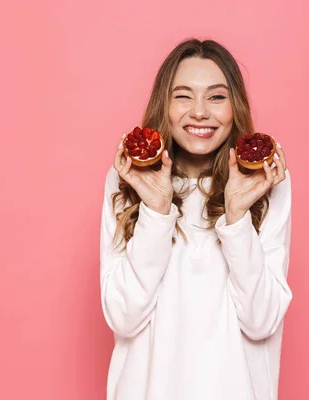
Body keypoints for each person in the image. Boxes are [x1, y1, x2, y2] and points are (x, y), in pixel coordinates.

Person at [99, 38, 293, 400]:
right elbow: (122, 316)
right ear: (164, 104)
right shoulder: (128, 177)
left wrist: (236, 218)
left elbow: (262, 321)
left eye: (216, 97)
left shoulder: (265, 182)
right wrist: (156, 212)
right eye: (183, 96)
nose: (200, 112)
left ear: (234, 106)